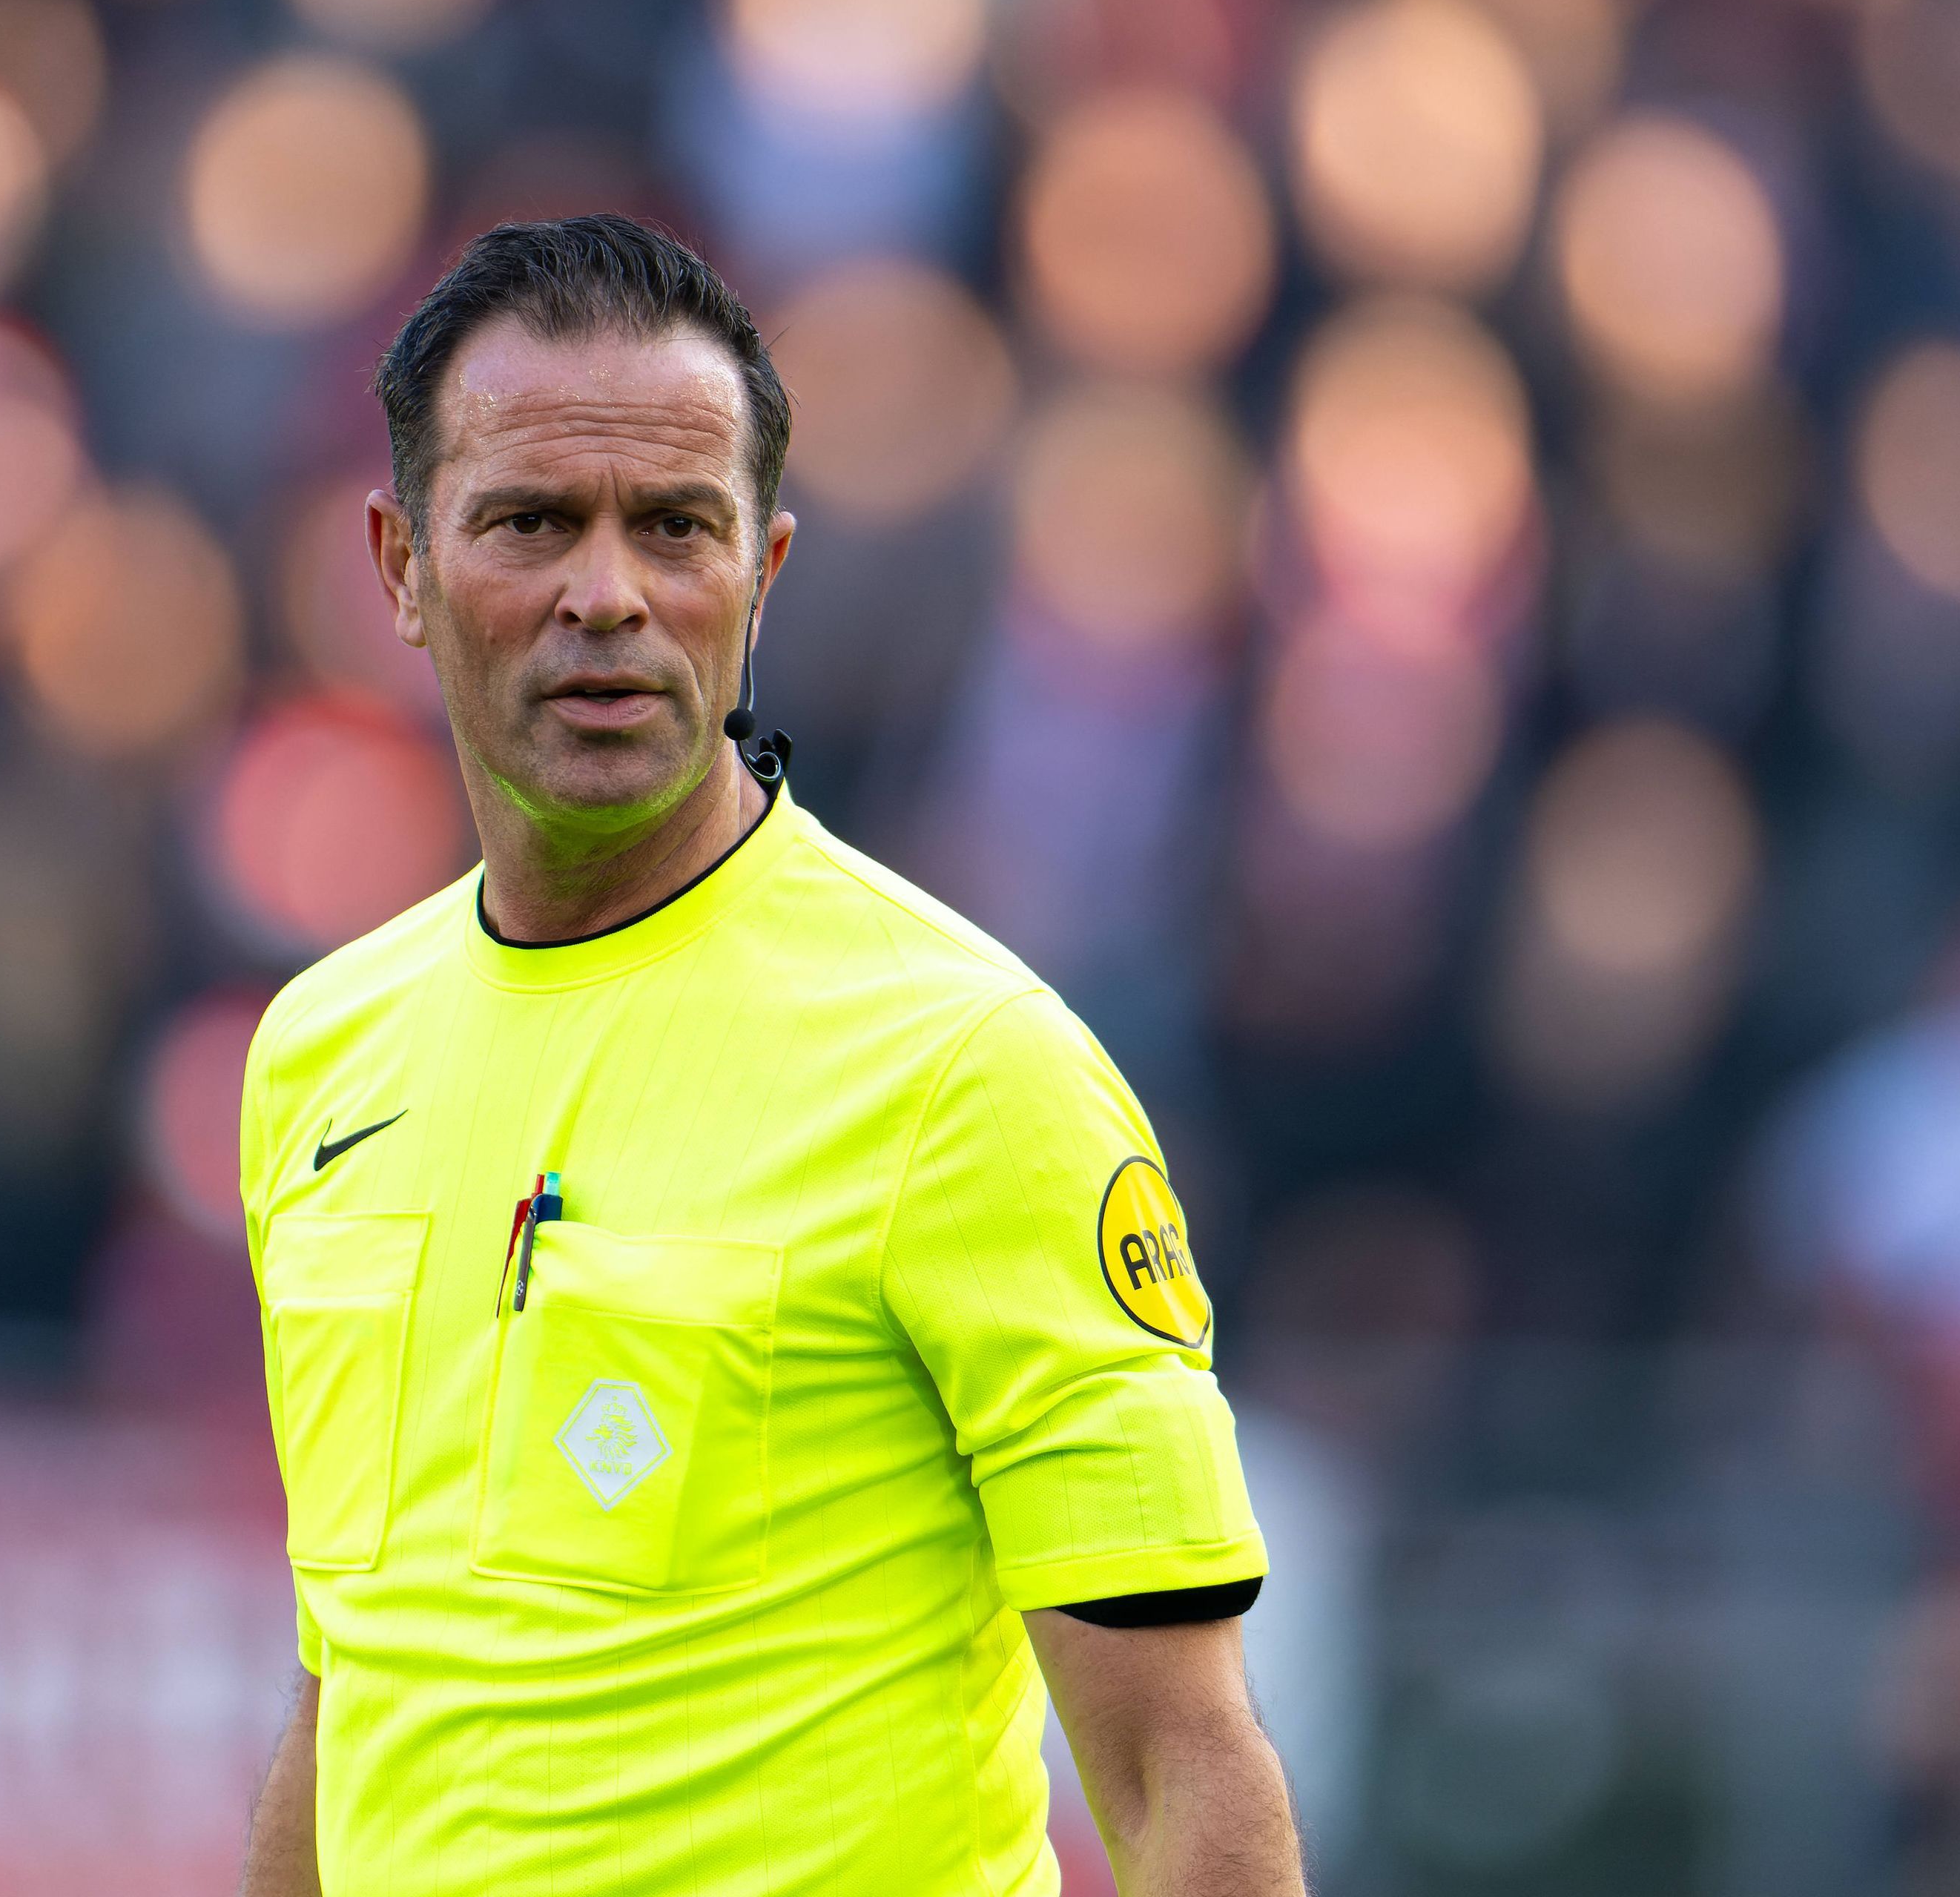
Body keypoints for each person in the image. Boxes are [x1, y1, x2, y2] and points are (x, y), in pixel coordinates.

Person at [237, 215, 1302, 1897]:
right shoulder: (321, 1057)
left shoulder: (968, 1069)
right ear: (401, 566)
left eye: (675, 528)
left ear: (765, 574)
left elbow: (1185, 1772)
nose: (609, 595)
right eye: (530, 522)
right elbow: (359, 1688)